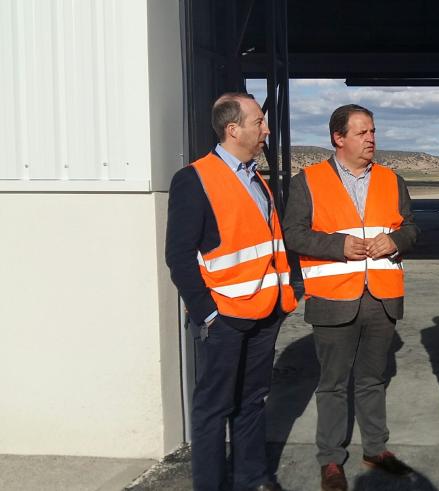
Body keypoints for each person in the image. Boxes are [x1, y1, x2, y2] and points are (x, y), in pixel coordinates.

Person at [282, 104, 419, 491]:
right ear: (338, 138)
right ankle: (331, 459)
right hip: (332, 298)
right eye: (362, 133)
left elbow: (411, 229)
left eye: (373, 131)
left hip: (382, 297)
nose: (371, 138)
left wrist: (395, 240)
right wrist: (339, 245)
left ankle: (375, 448)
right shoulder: (306, 181)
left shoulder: (393, 180)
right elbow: (293, 234)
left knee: (373, 380)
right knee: (333, 384)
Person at [165, 92, 297, 491]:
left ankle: (251, 478)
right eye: (259, 121)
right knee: (213, 409)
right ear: (233, 128)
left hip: (266, 311)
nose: (267, 129)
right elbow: (179, 257)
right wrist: (208, 314)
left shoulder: (256, 176)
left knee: (252, 402)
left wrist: (286, 296)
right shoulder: (194, 178)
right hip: (225, 318)